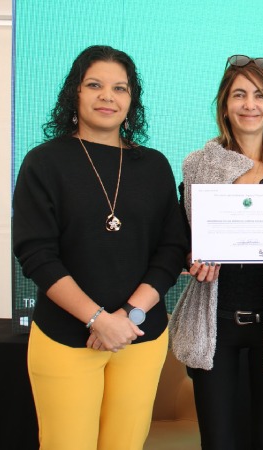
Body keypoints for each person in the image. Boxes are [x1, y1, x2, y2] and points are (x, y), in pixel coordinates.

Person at [12, 45, 188, 450]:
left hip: (139, 335)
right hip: (65, 337)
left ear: (131, 99)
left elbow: (171, 248)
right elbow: (37, 255)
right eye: (94, 85)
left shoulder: (154, 165)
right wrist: (98, 320)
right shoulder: (44, 162)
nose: (107, 96)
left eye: (119, 88)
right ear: (74, 92)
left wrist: (127, 316)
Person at [168, 54, 263, 450]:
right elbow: (184, 242)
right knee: (217, 441)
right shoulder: (196, 166)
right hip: (213, 321)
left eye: (259, 95)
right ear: (224, 105)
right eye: (239, 94)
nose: (249, 104)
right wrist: (191, 259)